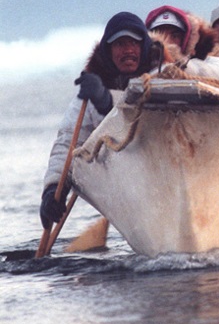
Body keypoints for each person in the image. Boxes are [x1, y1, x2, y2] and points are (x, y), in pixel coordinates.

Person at [39, 12, 155, 230]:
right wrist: (53, 190)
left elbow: (146, 120)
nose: (128, 50)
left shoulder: (166, 78)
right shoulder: (88, 98)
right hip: (127, 186)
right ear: (108, 51)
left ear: (145, 47)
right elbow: (68, 142)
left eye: (134, 43)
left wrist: (106, 101)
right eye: (120, 43)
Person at [145, 5, 219, 82]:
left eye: (174, 36)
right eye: (160, 35)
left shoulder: (208, 61)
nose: (167, 41)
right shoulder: (142, 63)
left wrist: (178, 63)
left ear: (186, 39)